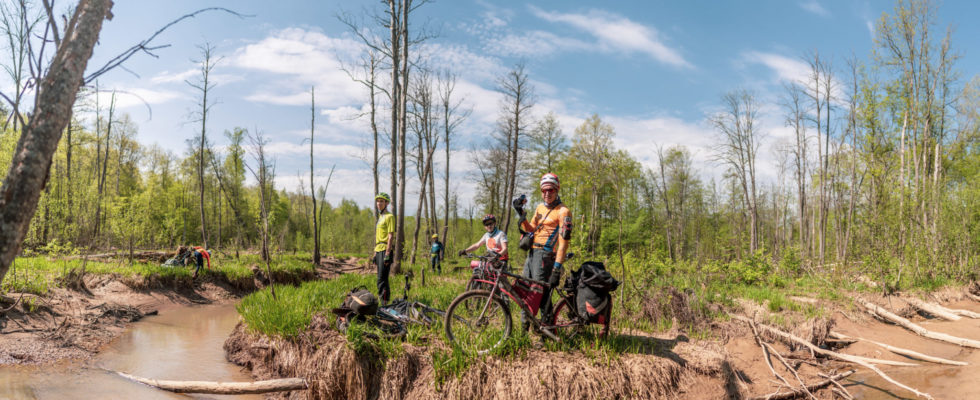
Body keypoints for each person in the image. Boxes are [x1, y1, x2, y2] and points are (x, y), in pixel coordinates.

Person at [514, 173, 572, 330]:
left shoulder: (563, 211)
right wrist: (521, 214)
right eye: (544, 190)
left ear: (557, 189)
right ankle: (525, 328)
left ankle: (547, 332)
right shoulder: (539, 207)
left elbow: (563, 244)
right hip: (532, 253)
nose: (547, 193)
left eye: (551, 190)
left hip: (546, 256)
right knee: (526, 290)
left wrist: (557, 268)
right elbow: (531, 230)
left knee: (542, 294)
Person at [373, 193, 396, 305]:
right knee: (380, 278)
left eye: (382, 201)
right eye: (378, 201)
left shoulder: (389, 217)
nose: (379, 203)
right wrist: (375, 253)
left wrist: (387, 253)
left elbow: (390, 236)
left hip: (385, 250)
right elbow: (378, 236)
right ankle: (383, 302)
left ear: (387, 203)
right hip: (378, 249)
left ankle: (384, 303)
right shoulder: (380, 218)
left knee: (382, 279)